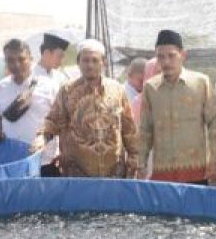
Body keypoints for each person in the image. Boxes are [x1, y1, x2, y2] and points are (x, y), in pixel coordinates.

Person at [33, 39, 138, 178]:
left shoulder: (117, 90)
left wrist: (134, 156)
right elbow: (53, 121)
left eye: (95, 60)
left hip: (113, 172)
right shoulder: (67, 91)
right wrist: (42, 137)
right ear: (79, 63)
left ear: (103, 62)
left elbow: (129, 128)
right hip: (77, 174)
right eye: (85, 60)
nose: (90, 65)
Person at [138, 29, 216, 184]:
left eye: (171, 56)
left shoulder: (201, 83)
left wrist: (215, 159)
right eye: (161, 57)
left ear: (183, 55)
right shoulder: (150, 88)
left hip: (197, 174)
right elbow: (145, 129)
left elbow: (215, 122)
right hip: (162, 175)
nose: (166, 62)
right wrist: (141, 164)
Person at [0, 39, 57, 146]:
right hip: (12, 155)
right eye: (10, 60)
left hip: (43, 157)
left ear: (31, 59)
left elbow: (59, 120)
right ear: (5, 62)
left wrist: (43, 138)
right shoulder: (1, 86)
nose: (16, 65)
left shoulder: (50, 86)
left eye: (21, 59)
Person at [34, 32, 71, 175]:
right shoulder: (30, 76)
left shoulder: (61, 78)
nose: (61, 61)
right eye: (59, 56)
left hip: (55, 152)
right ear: (47, 53)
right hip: (36, 147)